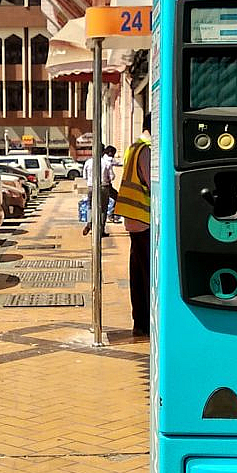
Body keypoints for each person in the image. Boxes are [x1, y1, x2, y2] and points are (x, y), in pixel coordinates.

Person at [114, 121, 152, 337]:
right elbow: (153, 182)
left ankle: (140, 322)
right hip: (144, 218)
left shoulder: (133, 147)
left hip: (133, 219)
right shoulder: (146, 149)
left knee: (138, 275)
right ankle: (146, 323)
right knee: (147, 276)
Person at [82, 145, 118, 237]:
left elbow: (84, 177)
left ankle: (90, 222)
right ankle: (101, 230)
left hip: (91, 186)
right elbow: (112, 177)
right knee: (103, 209)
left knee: (90, 206)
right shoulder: (106, 163)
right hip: (103, 187)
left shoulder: (88, 162)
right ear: (103, 152)